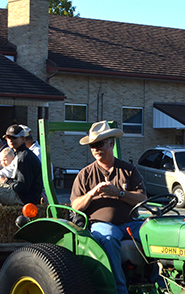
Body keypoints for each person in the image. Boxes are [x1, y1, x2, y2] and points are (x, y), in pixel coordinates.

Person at [70, 121, 147, 294]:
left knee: (156, 232)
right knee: (109, 237)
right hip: (101, 224)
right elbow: (75, 206)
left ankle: (162, 283)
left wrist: (118, 193)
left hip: (130, 223)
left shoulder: (128, 170)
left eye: (99, 144)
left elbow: (143, 199)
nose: (95, 149)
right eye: (92, 146)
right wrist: (91, 193)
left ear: (111, 144)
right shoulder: (85, 174)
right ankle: (119, 290)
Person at [0, 124, 43, 208]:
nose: (11, 140)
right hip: (27, 197)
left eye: (14, 138)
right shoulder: (22, 154)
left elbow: (23, 187)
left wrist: (5, 181)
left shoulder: (23, 157)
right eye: (8, 138)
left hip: (24, 200)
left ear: (23, 139)